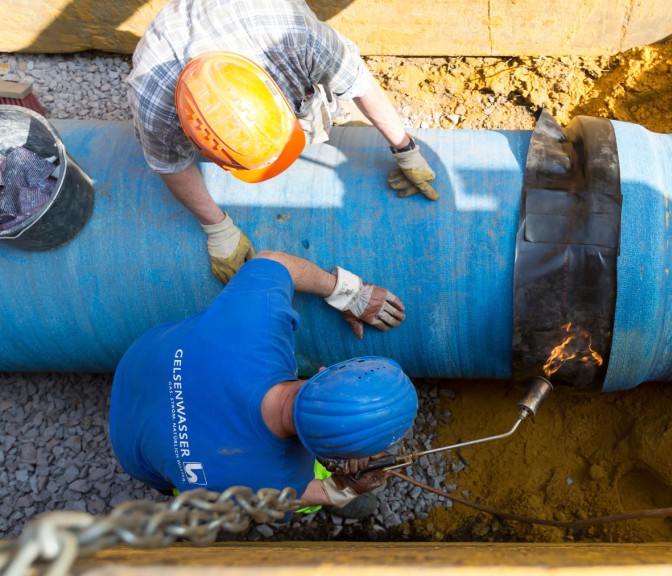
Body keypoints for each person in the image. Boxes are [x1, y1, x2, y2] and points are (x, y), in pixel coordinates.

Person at [127, 0, 439, 284]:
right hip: (176, 56)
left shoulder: (294, 35)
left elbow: (357, 80)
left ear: (273, 90)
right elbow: (171, 165)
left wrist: (405, 148)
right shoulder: (155, 104)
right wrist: (217, 228)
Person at [109, 251, 416, 512]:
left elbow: (270, 261)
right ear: (334, 455)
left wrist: (349, 292)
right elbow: (288, 497)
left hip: (139, 360)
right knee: (208, 490)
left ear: (324, 371)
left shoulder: (259, 327)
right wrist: (344, 489)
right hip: (133, 453)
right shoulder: (269, 476)